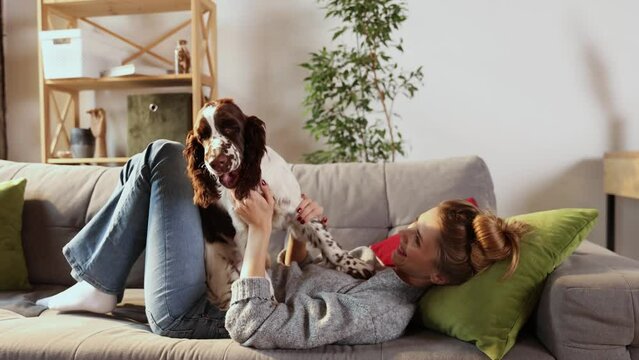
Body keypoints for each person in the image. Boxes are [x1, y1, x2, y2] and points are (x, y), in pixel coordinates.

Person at [36, 140, 530, 347]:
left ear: (440, 275)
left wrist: (258, 233)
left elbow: (256, 325)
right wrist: (298, 228)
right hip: (221, 282)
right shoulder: (378, 269)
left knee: (164, 158)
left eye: (416, 239)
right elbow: (297, 277)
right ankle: (97, 281)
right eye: (412, 226)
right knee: (148, 165)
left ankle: (97, 282)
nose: (402, 235)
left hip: (197, 313)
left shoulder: (385, 309)